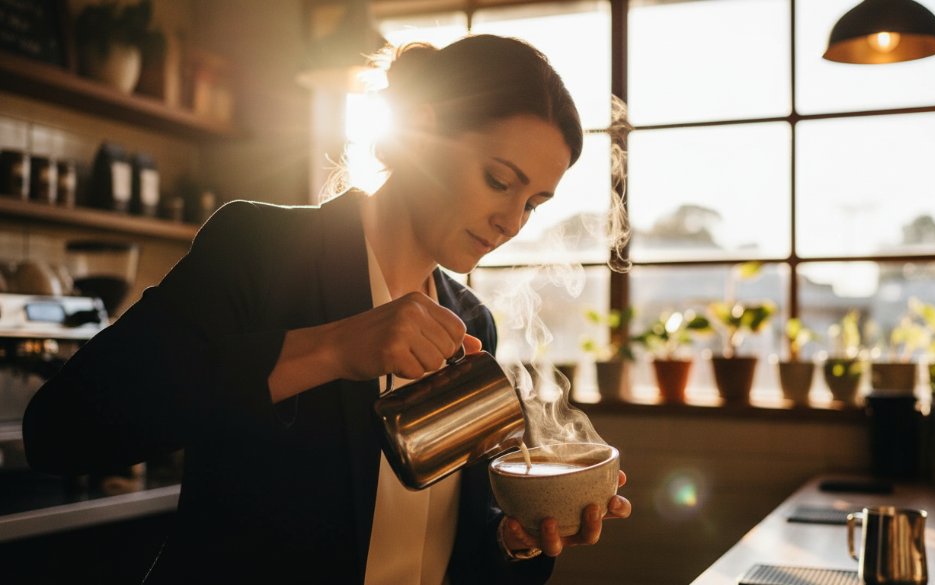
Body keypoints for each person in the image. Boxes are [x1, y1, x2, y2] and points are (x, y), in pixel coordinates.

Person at [23, 34, 631, 585]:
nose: (511, 223)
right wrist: (332, 348)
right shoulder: (260, 250)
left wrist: (515, 540)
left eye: (534, 203)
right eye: (499, 181)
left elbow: (446, 547)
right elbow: (63, 432)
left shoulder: (470, 321)